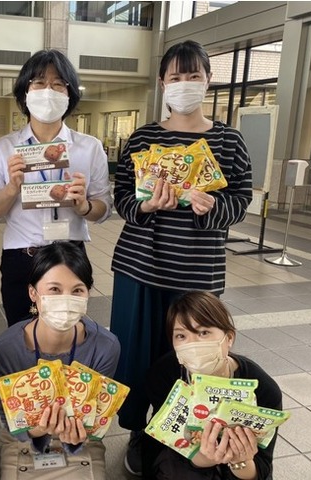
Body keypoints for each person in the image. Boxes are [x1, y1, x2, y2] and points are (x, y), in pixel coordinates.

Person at [109, 40, 253, 476]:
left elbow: (241, 199)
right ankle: (138, 429)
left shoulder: (228, 140)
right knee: (135, 355)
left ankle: (186, 431)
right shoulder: (143, 138)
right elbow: (122, 197)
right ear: (162, 83)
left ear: (208, 81)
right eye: (176, 77)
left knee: (194, 357)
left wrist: (214, 208)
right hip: (140, 267)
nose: (184, 84)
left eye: (193, 76)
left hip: (197, 272)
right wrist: (146, 206)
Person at [0, 49, 112, 327]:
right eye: (38, 82)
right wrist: (10, 189)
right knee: (21, 334)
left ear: (69, 93)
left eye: (58, 84)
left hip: (71, 256)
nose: (48, 91)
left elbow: (103, 209)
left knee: (69, 332)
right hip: (22, 258)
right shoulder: (4, 148)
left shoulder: (89, 147)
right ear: (25, 92)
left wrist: (85, 206)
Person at [0, 242, 121, 479]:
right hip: (23, 438)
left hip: (82, 439)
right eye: (54, 289)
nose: (66, 300)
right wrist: (36, 430)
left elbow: (97, 416)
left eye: (77, 290)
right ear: (33, 293)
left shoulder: (105, 347)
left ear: (88, 293)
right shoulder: (4, 350)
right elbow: (9, 419)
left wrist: (78, 437)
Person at [142, 291, 282, 480]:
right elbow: (159, 447)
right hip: (184, 463)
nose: (192, 345)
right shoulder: (163, 375)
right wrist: (202, 459)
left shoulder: (263, 389)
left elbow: (262, 468)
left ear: (229, 338)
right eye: (181, 336)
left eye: (203, 332)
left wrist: (240, 461)